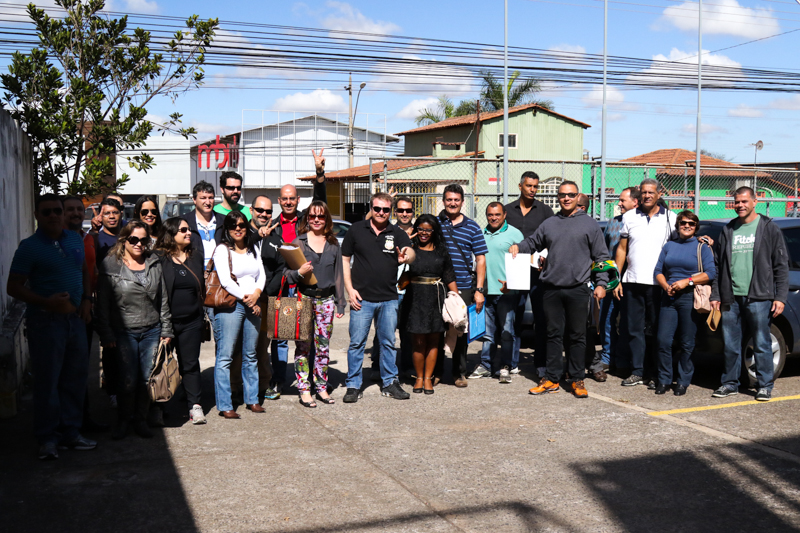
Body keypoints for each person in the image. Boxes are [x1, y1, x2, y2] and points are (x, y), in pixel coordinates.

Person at [8, 194, 95, 460]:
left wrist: (87, 301)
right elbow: (13, 287)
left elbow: (83, 272)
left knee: (74, 379)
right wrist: (47, 301)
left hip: (75, 321)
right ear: (37, 215)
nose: (53, 216)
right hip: (46, 322)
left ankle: (71, 432)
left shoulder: (73, 238)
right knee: (48, 382)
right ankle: (47, 438)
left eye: (57, 211)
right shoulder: (29, 247)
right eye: (47, 212)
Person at [510, 181, 609, 398]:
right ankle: (552, 379)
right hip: (551, 289)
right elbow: (533, 242)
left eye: (571, 195)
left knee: (577, 336)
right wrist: (519, 246)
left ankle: (577, 379)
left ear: (577, 197)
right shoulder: (549, 223)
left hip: (578, 289)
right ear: (557, 197)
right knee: (552, 335)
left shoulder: (590, 225)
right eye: (562, 195)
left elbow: (602, 257)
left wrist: (601, 284)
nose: (566, 198)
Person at [95, 220, 173, 439]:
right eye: (133, 239)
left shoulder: (154, 262)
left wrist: (166, 330)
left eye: (143, 240)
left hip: (151, 329)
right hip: (123, 331)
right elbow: (102, 304)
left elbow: (163, 299)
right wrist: (106, 333)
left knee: (146, 379)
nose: (139, 244)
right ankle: (123, 420)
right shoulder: (111, 265)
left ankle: (140, 419)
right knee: (127, 379)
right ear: (124, 240)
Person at [711, 187, 788, 402]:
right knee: (730, 344)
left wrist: (780, 297)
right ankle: (730, 383)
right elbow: (719, 266)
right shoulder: (728, 230)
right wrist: (716, 294)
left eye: (744, 201)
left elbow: (780, 266)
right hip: (730, 297)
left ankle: (764, 386)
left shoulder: (768, 228)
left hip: (759, 297)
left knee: (762, 342)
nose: (740, 205)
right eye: (737, 202)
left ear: (755, 201)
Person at [264, 149, 328, 398]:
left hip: (306, 286)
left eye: (292, 198)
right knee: (280, 338)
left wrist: (319, 173)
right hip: (282, 287)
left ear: (298, 199)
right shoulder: (272, 227)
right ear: (279, 201)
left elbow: (320, 202)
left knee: (307, 337)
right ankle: (278, 381)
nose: (289, 202)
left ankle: (312, 382)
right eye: (284, 198)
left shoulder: (306, 220)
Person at [341, 192, 415, 403]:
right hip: (361, 299)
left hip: (388, 298)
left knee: (388, 343)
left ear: (390, 211)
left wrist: (407, 256)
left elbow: (411, 252)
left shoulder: (397, 232)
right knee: (357, 343)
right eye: (377, 209)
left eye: (385, 209)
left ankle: (390, 382)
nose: (381, 213)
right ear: (371, 209)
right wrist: (350, 289)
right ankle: (353, 385)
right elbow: (345, 260)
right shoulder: (356, 230)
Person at [614, 179, 677, 388]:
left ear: (659, 194)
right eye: (644, 193)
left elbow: (683, 242)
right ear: (639, 195)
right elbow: (622, 249)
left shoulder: (671, 218)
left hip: (659, 284)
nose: (647, 196)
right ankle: (638, 371)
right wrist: (617, 279)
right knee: (633, 329)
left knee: (658, 331)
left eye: (651, 192)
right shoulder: (629, 217)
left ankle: (656, 373)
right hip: (632, 282)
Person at [284, 201, 346, 407]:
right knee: (303, 347)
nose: (316, 220)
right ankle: (304, 389)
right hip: (304, 299)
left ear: (326, 218)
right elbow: (286, 273)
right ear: (307, 219)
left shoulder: (333, 244)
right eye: (312, 216)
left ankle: (321, 387)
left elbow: (338, 275)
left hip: (327, 300)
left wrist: (340, 303)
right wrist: (298, 273)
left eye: (320, 216)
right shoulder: (298, 242)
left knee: (323, 347)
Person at [653, 211, 716, 396]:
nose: (687, 226)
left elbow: (710, 273)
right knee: (663, 341)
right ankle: (664, 379)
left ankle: (683, 381)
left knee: (687, 342)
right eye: (683, 223)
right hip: (669, 298)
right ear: (678, 225)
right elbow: (658, 270)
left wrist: (686, 282)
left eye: (691, 223)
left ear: (696, 227)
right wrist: (666, 286)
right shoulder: (669, 245)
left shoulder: (702, 247)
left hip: (690, 297)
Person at [212, 211, 266, 418]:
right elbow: (226, 281)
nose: (238, 229)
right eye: (233, 225)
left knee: (250, 355)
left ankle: (252, 400)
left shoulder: (253, 248)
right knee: (225, 356)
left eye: (242, 225)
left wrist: (257, 294)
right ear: (227, 229)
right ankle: (225, 405)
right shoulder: (222, 250)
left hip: (253, 303)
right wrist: (249, 298)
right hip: (231, 306)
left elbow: (261, 275)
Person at [154, 217, 207, 424]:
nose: (188, 233)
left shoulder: (196, 256)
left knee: (190, 364)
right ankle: (158, 407)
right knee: (161, 366)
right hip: (166, 323)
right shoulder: (158, 258)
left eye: (189, 229)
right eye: (183, 229)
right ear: (171, 233)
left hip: (192, 321)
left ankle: (195, 406)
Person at [397, 215, 458, 395]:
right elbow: (397, 264)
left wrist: (457, 299)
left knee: (433, 341)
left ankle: (429, 379)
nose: (424, 233)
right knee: (417, 341)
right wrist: (406, 241)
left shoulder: (442, 251)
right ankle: (419, 378)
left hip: (436, 298)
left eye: (428, 230)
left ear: (434, 231)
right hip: (414, 298)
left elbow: (449, 275)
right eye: (421, 229)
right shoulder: (410, 250)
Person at [64, 195, 108, 432]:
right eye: (69, 210)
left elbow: (91, 272)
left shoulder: (88, 239)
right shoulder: (58, 241)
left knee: (82, 369)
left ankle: (83, 418)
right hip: (63, 312)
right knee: (65, 372)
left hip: (86, 310)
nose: (75, 214)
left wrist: (89, 302)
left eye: (79, 210)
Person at [436, 184, 488, 388]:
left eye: (456, 200)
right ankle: (436, 372)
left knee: (460, 330)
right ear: (443, 201)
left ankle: (459, 373)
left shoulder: (472, 227)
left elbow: (481, 260)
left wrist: (479, 290)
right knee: (437, 330)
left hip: (464, 287)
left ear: (462, 202)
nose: (452, 203)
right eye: (449, 199)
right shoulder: (436, 223)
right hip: (438, 285)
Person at [505, 171, 554, 378]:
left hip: (537, 272)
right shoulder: (507, 210)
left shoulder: (545, 211)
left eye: (535, 186)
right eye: (529, 186)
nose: (533, 190)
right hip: (514, 270)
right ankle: (511, 363)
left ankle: (540, 364)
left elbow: (553, 239)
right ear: (520, 186)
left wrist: (546, 258)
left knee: (541, 319)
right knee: (512, 317)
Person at [470, 202, 524, 383]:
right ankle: (486, 365)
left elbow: (524, 262)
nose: (493, 218)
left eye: (497, 215)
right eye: (490, 215)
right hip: (486, 291)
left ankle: (506, 366)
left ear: (505, 214)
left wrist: (513, 283)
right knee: (486, 333)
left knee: (507, 331)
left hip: (507, 293)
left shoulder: (515, 234)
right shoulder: (481, 234)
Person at [591, 187, 639, 381]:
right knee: (607, 320)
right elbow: (602, 253)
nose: (618, 203)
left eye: (622, 200)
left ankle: (623, 361)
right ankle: (607, 356)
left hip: (632, 283)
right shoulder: (613, 223)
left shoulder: (640, 222)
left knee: (627, 324)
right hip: (610, 282)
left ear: (635, 202)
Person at [84, 197, 124, 408]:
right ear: (101, 215)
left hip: (129, 301)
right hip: (105, 302)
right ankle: (112, 391)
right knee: (109, 347)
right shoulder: (95, 240)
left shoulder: (129, 237)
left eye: (114, 212)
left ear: (121, 214)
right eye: (106, 213)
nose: (111, 216)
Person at [370, 195, 415, 379]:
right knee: (383, 330)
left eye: (408, 210)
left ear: (413, 212)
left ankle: (406, 366)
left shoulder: (421, 231)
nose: (405, 213)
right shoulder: (389, 230)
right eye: (401, 210)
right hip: (390, 289)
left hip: (411, 288)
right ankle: (376, 366)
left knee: (408, 330)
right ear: (395, 212)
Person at [183, 180, 224, 268]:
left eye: (211, 198)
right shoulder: (184, 223)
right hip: (195, 275)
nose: (208, 202)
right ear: (194, 199)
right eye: (203, 198)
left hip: (220, 276)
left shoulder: (224, 221)